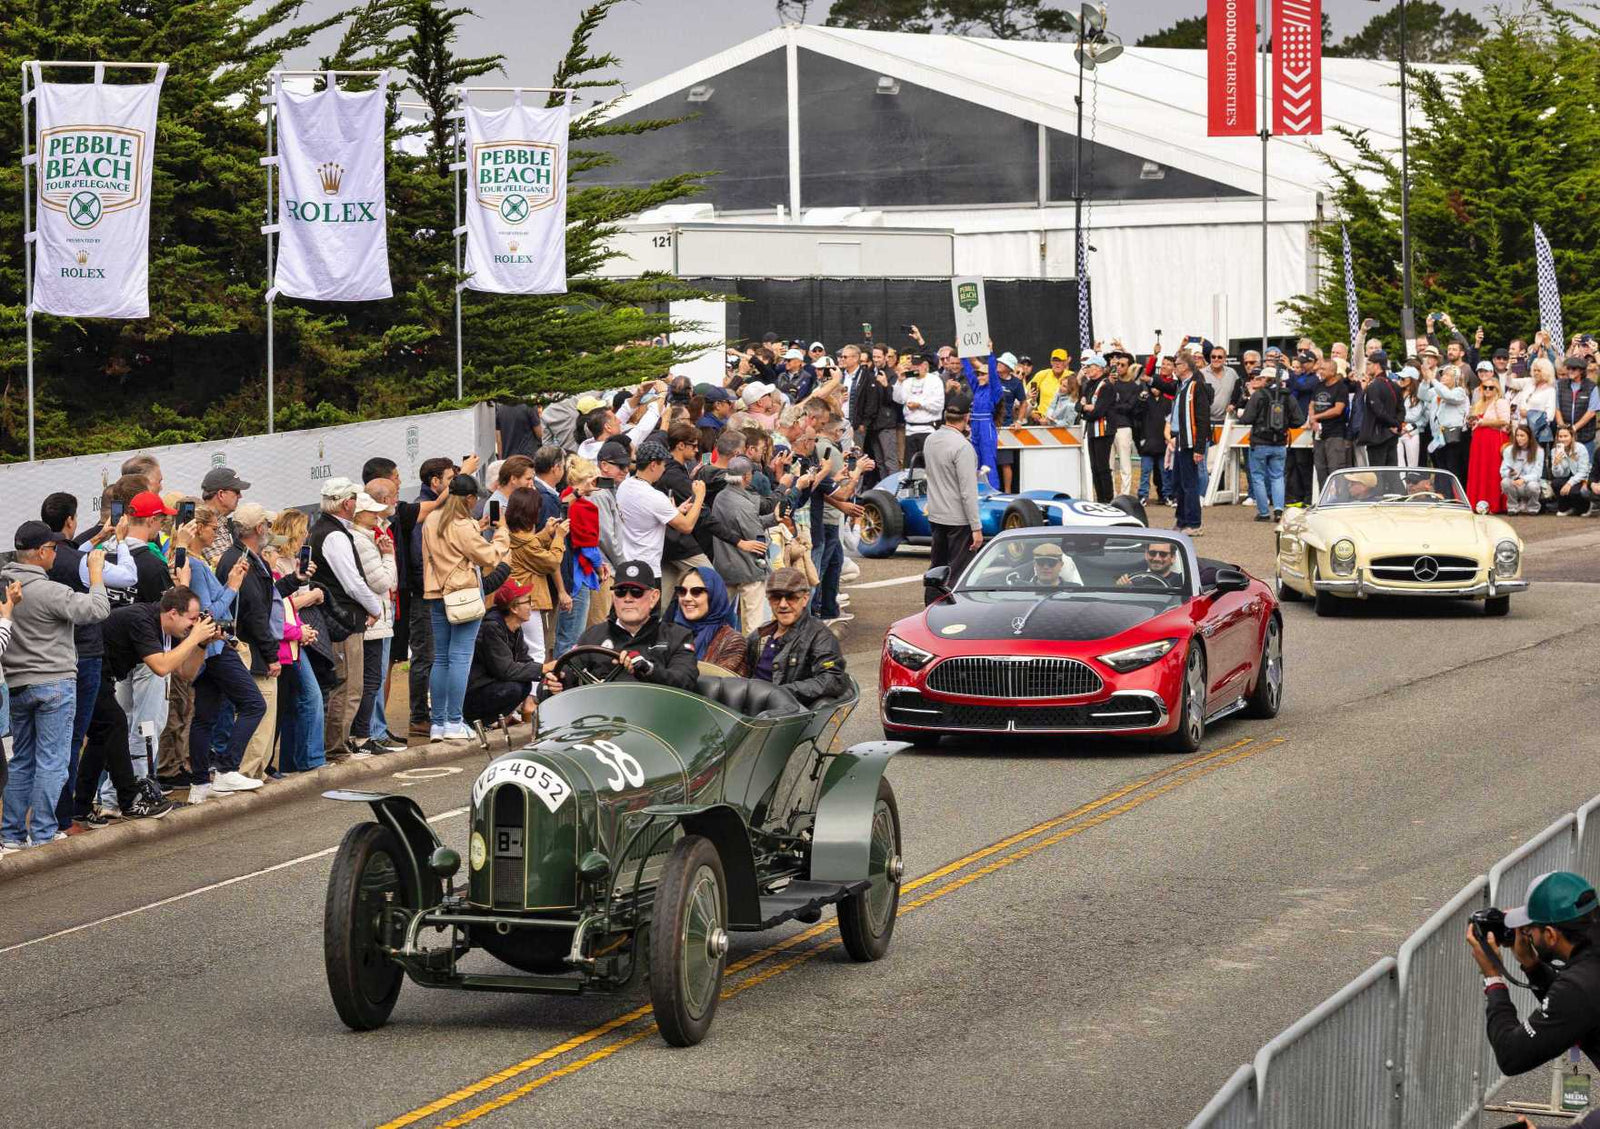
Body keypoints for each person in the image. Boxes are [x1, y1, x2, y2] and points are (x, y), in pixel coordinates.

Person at [1, 524, 114, 847]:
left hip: (17, 684)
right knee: (52, 761)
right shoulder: (50, 590)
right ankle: (43, 832)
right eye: (53, 548)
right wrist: (96, 574)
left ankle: (11, 834)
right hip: (54, 683)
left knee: (22, 760)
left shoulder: (6, 587)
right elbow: (98, 609)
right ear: (40, 552)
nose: (55, 554)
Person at [78, 589, 218, 826]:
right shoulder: (142, 619)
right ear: (173, 613)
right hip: (87, 668)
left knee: (103, 736)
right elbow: (160, 667)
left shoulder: (170, 629)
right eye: (192, 619)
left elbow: (185, 673)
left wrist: (201, 644)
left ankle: (81, 807)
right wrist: (194, 638)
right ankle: (128, 801)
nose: (195, 624)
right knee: (115, 725)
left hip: (101, 674)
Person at [1466, 871, 1600, 1080]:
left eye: (1530, 929)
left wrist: (1493, 976)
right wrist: (1532, 965)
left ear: (1550, 935)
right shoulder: (1585, 975)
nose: (1526, 934)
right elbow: (1576, 1008)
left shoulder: (1579, 987)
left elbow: (1511, 1054)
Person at [421, 474, 511, 741]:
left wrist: (477, 528)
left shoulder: (432, 519)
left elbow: (451, 546)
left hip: (436, 592)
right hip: (463, 595)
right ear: (470, 498)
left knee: (441, 658)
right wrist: (502, 532)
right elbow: (490, 556)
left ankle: (438, 723)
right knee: (460, 657)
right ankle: (454, 721)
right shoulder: (462, 525)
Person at [541, 560, 699, 694]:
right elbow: (561, 678)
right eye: (621, 592)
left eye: (636, 592)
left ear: (654, 597)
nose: (628, 599)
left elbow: (686, 682)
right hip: (600, 717)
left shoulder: (677, 636)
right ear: (613, 597)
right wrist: (555, 683)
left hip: (655, 716)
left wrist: (649, 669)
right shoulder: (592, 636)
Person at [209, 504, 281, 782]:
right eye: (267, 525)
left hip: (251, 647)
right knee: (260, 711)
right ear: (259, 528)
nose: (269, 530)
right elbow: (254, 613)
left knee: (260, 711)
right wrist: (271, 654)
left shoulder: (246, 557)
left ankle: (253, 771)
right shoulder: (239, 559)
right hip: (251, 650)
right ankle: (245, 771)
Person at [265, 510, 325, 772]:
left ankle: (291, 762)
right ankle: (311, 760)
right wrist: (312, 596)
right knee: (310, 696)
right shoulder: (276, 565)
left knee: (290, 702)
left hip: (295, 636)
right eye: (302, 531)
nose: (306, 536)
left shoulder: (291, 561)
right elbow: (278, 605)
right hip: (285, 641)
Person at [347, 491, 403, 755]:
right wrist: (388, 556)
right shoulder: (362, 541)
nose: (377, 515)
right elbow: (384, 583)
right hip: (373, 621)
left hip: (377, 618)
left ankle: (365, 735)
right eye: (372, 511)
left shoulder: (367, 538)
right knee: (370, 681)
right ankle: (362, 737)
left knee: (371, 680)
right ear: (359, 514)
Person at [743, 567, 849, 708]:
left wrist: (778, 693)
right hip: (749, 708)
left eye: (791, 597)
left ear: (805, 599)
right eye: (776, 597)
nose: (783, 605)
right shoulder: (760, 634)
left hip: (786, 712)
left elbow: (833, 679)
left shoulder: (820, 637)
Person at [922, 393, 983, 603]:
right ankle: (954, 610)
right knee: (958, 572)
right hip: (958, 518)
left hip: (936, 514)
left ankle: (931, 607)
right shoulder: (963, 447)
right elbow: (968, 491)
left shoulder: (930, 439)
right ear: (967, 417)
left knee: (936, 568)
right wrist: (976, 527)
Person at [618, 441, 704, 578]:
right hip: (648, 569)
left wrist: (675, 511)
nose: (664, 469)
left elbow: (645, 515)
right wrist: (699, 496)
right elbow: (687, 526)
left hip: (626, 565)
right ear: (653, 465)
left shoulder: (624, 485)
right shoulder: (654, 496)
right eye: (663, 464)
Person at [463, 582, 541, 730]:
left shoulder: (515, 628)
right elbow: (505, 670)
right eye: (528, 601)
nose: (531, 605)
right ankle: (475, 721)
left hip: (489, 685)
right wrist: (542, 669)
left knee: (525, 685)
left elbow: (524, 660)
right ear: (514, 609)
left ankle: (498, 719)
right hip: (473, 693)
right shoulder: (491, 628)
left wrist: (546, 673)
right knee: (514, 688)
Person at [710, 455, 775, 631]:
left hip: (724, 566)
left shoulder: (720, 497)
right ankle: (750, 650)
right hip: (749, 569)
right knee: (753, 625)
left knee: (716, 618)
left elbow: (745, 524)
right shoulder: (742, 504)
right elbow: (757, 537)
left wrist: (773, 518)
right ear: (746, 476)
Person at [505, 485, 567, 662]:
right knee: (537, 651)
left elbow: (529, 545)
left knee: (519, 651)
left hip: (514, 597)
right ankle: (535, 681)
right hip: (527, 600)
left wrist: (545, 533)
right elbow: (552, 561)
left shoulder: (511, 535)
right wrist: (559, 537)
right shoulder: (526, 542)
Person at [1240, 362, 1305, 522]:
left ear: (1266, 379)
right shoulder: (1288, 397)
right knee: (1277, 477)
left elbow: (1247, 418)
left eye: (1261, 378)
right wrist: (1285, 424)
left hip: (1259, 442)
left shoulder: (1258, 395)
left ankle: (1263, 513)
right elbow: (1299, 420)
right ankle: (1278, 510)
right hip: (1280, 443)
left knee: (1258, 477)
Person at [670, 565, 748, 674]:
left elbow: (719, 681)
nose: (687, 598)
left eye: (696, 591)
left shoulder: (732, 641)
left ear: (714, 596)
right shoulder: (667, 633)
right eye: (682, 591)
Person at [1166, 353, 1212, 537]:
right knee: (1179, 482)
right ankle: (1181, 520)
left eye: (1176, 364)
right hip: (1180, 439)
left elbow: (1203, 419)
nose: (1174, 368)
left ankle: (1194, 523)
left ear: (1185, 366)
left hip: (1191, 442)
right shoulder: (1182, 386)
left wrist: (1199, 448)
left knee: (1190, 484)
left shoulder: (1196, 386)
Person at [1466, 370, 1512, 513]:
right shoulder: (1479, 404)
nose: (1487, 390)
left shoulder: (1501, 402)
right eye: (1484, 387)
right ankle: (1476, 502)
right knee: (1478, 471)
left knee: (1492, 471)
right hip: (1479, 441)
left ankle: (1494, 504)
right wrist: (1472, 422)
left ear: (1497, 389)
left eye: (1491, 388)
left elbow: (1505, 421)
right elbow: (1475, 421)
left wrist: (1483, 422)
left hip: (1494, 440)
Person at [894, 353, 945, 464]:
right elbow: (897, 399)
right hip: (910, 430)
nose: (915, 368)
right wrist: (899, 381)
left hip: (928, 429)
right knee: (911, 466)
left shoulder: (935, 380)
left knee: (930, 465)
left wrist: (919, 404)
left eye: (918, 365)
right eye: (913, 366)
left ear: (925, 365)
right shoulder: (907, 380)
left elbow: (938, 405)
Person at [1078, 352, 1115, 502]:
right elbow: (1078, 406)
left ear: (1099, 368)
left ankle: (1108, 499)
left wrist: (1086, 409)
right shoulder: (1088, 385)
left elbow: (1099, 411)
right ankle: (1100, 499)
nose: (1087, 369)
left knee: (1102, 467)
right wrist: (1086, 408)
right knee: (1094, 467)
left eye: (1090, 366)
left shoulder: (1106, 386)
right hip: (1092, 430)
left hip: (1103, 430)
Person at [1360, 351, 1402, 465]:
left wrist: (1394, 425)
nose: (1366, 367)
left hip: (1377, 436)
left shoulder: (1374, 386)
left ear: (1377, 365)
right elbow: (1401, 410)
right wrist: (1397, 425)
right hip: (1392, 436)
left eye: (1369, 364)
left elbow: (1378, 411)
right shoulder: (1395, 385)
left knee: (1378, 473)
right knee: (1391, 471)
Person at [1501, 423, 1544, 515]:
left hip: (1529, 483)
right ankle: (1512, 507)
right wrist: (1509, 473)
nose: (1519, 438)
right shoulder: (1508, 450)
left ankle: (1533, 507)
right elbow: (1502, 471)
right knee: (1505, 482)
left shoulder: (1539, 451)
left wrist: (1523, 479)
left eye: (1522, 436)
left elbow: (1537, 474)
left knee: (1533, 486)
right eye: (1517, 435)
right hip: (1514, 482)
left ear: (1529, 437)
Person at [1552, 424, 1592, 516]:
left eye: (1565, 436)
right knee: (1555, 483)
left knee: (1574, 492)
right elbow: (1557, 475)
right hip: (1566, 476)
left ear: (1572, 436)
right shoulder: (1555, 450)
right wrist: (1556, 464)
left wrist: (1569, 483)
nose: (1562, 439)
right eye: (1560, 436)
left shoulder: (1580, 448)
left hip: (1581, 478)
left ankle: (1583, 509)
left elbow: (1583, 471)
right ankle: (1566, 508)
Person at [1115, 541, 1184, 588]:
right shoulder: (1132, 582)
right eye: (1152, 553)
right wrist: (1122, 588)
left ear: (1173, 558)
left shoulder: (1183, 582)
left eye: (1163, 554)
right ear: (1146, 555)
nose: (1157, 558)